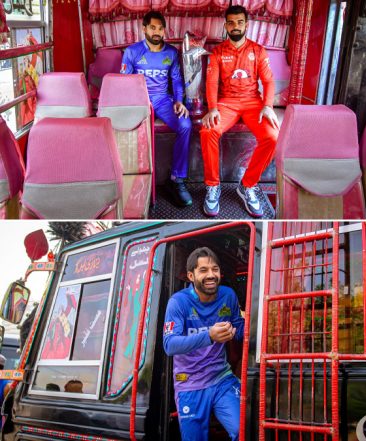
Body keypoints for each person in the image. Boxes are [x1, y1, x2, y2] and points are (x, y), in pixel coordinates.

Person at [200, 5, 280, 217]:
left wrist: (268, 106)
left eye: (240, 22)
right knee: (208, 131)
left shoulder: (258, 50)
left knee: (273, 137)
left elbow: (269, 81)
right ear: (226, 25)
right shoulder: (217, 52)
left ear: (246, 24)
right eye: (231, 23)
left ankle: (247, 185)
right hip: (226, 103)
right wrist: (213, 108)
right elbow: (211, 82)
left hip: (253, 102)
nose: (236, 26)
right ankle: (212, 185)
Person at [163, 247, 245, 441]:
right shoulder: (178, 302)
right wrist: (210, 335)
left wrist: (238, 330)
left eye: (214, 269)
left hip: (222, 378)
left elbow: (240, 328)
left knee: (244, 430)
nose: (211, 275)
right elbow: (169, 344)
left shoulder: (228, 295)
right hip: (189, 384)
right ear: (191, 275)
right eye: (203, 270)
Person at [121, 11, 193, 207]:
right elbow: (125, 83)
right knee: (135, 134)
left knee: (185, 125)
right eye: (152, 27)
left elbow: (177, 80)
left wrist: (179, 101)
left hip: (162, 100)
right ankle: (136, 181)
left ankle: (177, 179)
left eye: (160, 28)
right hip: (139, 100)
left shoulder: (171, 53)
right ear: (144, 28)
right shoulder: (132, 52)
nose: (157, 32)